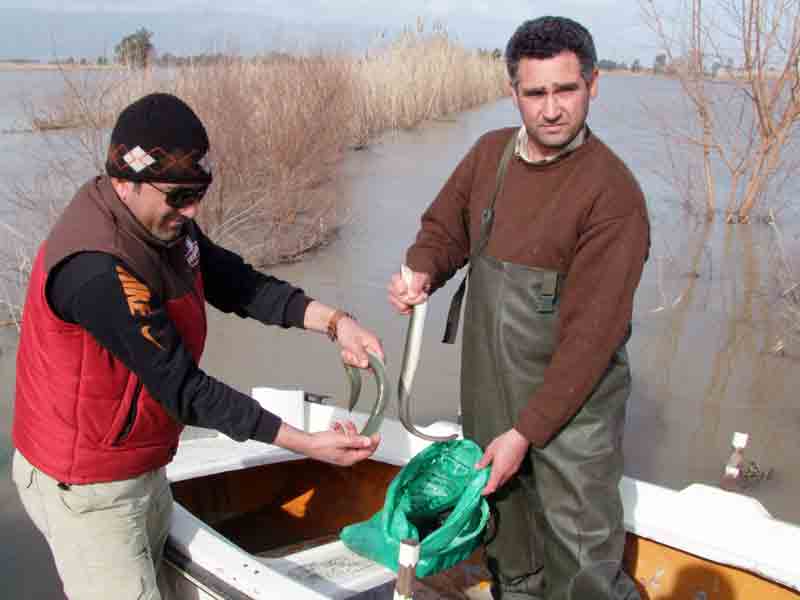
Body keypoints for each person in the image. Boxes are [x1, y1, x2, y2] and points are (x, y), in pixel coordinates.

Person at [11, 92, 384, 600]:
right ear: (125, 181)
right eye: (180, 196)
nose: (193, 208)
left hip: (142, 460)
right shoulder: (94, 269)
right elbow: (184, 388)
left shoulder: (161, 223)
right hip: (87, 487)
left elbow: (234, 282)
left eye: (199, 191)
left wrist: (336, 322)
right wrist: (308, 444)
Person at [388, 16, 648, 600]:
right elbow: (444, 227)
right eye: (536, 93)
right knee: (508, 546)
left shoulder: (613, 196)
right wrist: (422, 268)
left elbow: (590, 341)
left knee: (581, 560)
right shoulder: (489, 156)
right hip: (490, 396)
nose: (551, 109)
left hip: (574, 412)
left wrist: (526, 432)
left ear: (593, 84)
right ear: (514, 93)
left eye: (566, 90)